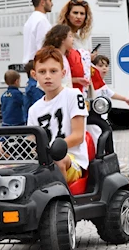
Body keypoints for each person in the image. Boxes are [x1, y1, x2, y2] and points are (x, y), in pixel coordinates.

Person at [27, 46, 88, 183]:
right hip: (43, 159)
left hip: (72, 159)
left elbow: (78, 136)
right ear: (34, 75)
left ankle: (63, 201)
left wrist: (50, 150)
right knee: (0, 151)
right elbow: (31, 142)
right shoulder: (34, 109)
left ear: (63, 73)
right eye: (42, 72)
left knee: (57, 160)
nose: (48, 76)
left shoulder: (73, 95)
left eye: (53, 71)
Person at [57, 0, 93, 96]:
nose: (78, 17)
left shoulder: (81, 38)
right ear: (68, 15)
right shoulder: (61, 36)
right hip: (67, 90)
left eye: (82, 14)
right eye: (75, 13)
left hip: (82, 89)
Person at [22, 0, 53, 65]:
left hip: (29, 63)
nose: (52, 4)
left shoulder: (30, 21)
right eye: (50, 0)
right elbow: (42, 46)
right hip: (38, 63)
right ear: (42, 2)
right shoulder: (42, 21)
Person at [42, 24, 76, 90]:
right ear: (62, 39)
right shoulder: (54, 57)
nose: (73, 39)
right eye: (70, 36)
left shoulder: (63, 56)